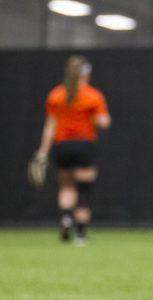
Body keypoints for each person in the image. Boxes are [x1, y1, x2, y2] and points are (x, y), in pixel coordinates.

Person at [34, 56, 111, 246]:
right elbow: (104, 122)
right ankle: (81, 235)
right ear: (86, 74)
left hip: (62, 147)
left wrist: (43, 151)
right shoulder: (93, 96)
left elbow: (50, 125)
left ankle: (66, 218)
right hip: (83, 146)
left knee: (66, 188)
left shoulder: (56, 95)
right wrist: (92, 119)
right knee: (84, 191)